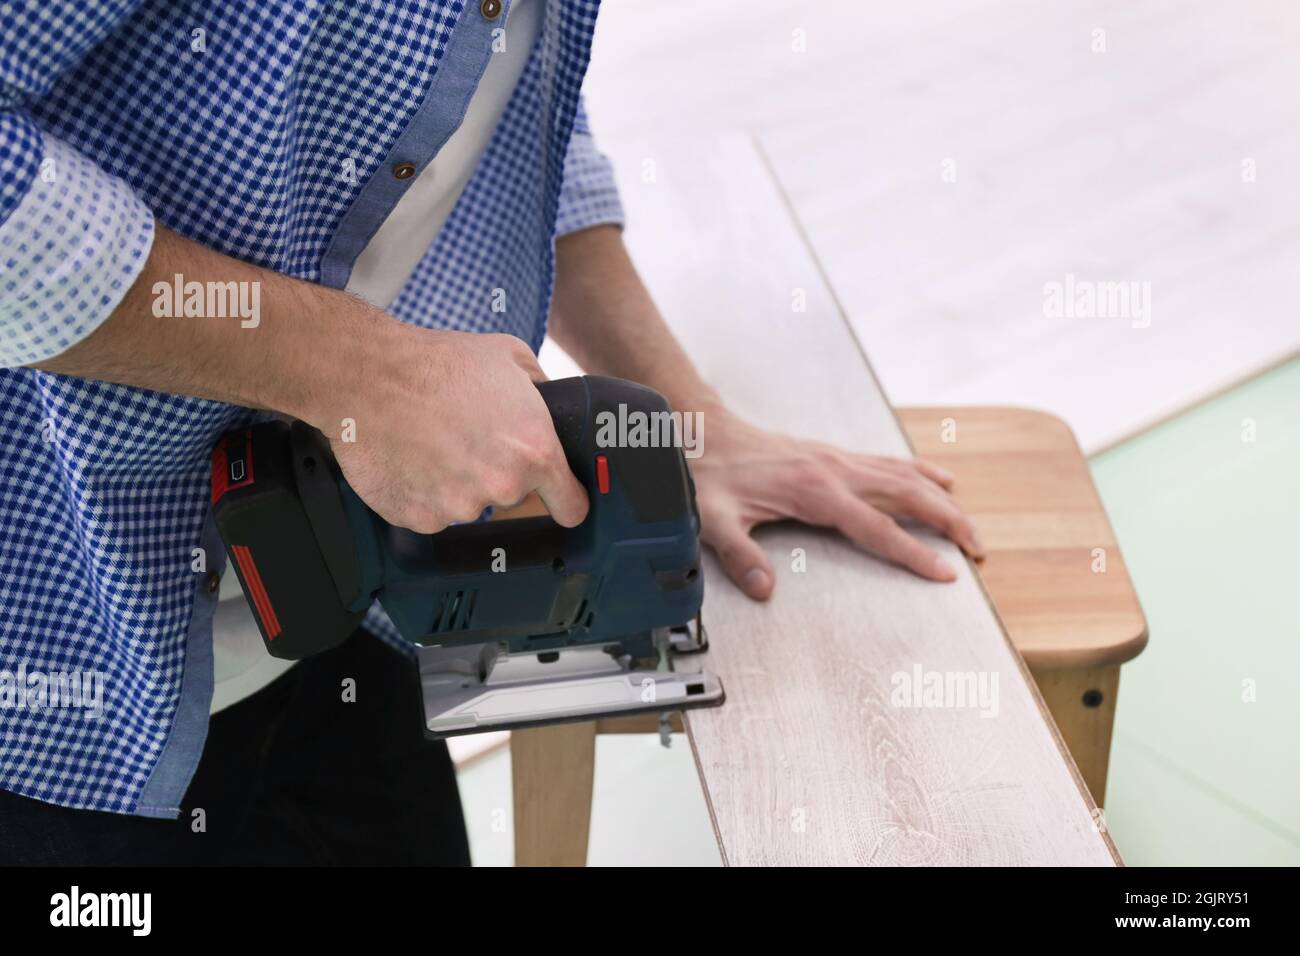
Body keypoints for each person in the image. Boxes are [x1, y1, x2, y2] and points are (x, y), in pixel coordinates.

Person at [0, 0, 982, 865]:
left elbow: (498, 90)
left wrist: (687, 415)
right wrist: (355, 371)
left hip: (332, 591)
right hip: (65, 670)